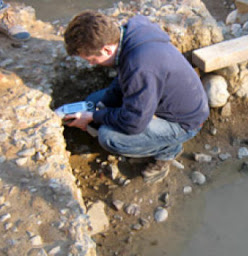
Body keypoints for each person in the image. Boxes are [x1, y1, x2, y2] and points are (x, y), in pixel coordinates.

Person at [63, 10, 210, 183]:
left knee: (108, 137)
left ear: (106, 49)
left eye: (92, 59)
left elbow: (133, 123)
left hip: (186, 122)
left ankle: (168, 150)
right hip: (165, 98)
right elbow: (122, 80)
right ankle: (146, 138)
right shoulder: (132, 33)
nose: (91, 64)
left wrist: (94, 116)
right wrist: (101, 107)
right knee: (92, 102)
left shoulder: (140, 67)